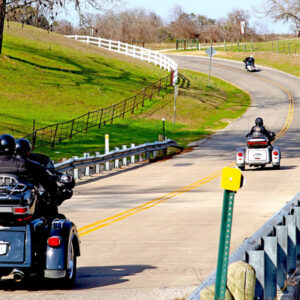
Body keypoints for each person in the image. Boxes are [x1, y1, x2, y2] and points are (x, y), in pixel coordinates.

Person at [0, 134, 58, 217]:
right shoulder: (25, 164)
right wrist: (53, 194)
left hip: (14, 204)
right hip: (22, 204)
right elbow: (49, 182)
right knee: (49, 213)